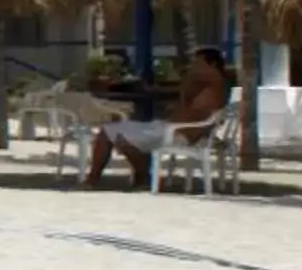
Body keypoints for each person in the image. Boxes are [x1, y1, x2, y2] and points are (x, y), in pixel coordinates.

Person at [79, 47, 230, 188]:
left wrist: (189, 81)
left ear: (213, 65)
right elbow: (184, 101)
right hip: (170, 128)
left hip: (177, 132)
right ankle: (140, 177)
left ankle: (99, 179)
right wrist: (189, 82)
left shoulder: (215, 86)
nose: (194, 68)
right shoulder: (207, 85)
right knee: (113, 133)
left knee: (113, 135)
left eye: (199, 64)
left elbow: (190, 109)